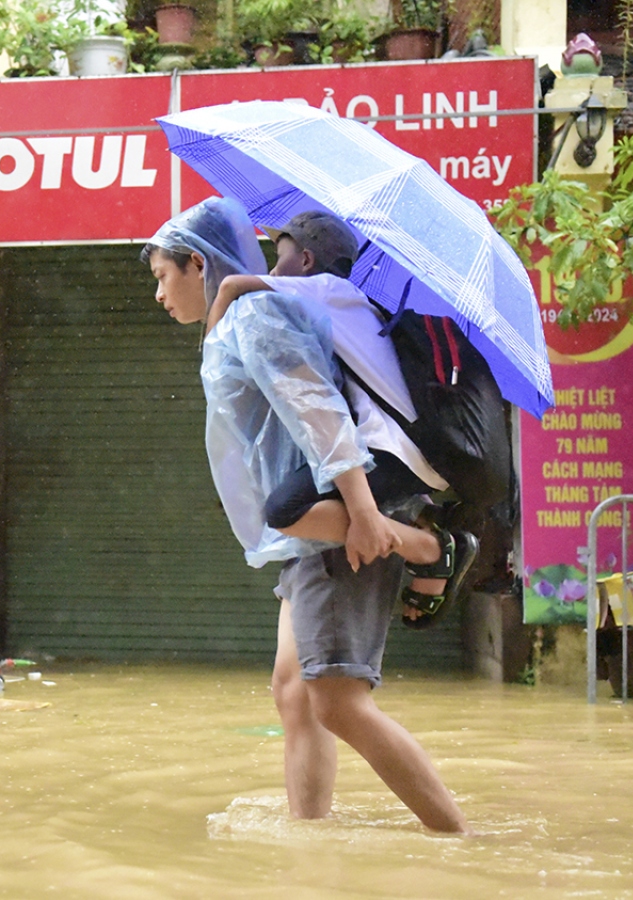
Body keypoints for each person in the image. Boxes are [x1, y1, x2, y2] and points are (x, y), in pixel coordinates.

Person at [142, 198, 470, 833]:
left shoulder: (255, 317)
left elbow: (317, 409)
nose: (159, 294)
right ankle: (309, 841)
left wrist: (366, 513)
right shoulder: (235, 318)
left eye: (162, 275)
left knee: (338, 703)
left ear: (195, 262)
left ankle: (459, 842)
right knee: (295, 698)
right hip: (308, 536)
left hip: (337, 521)